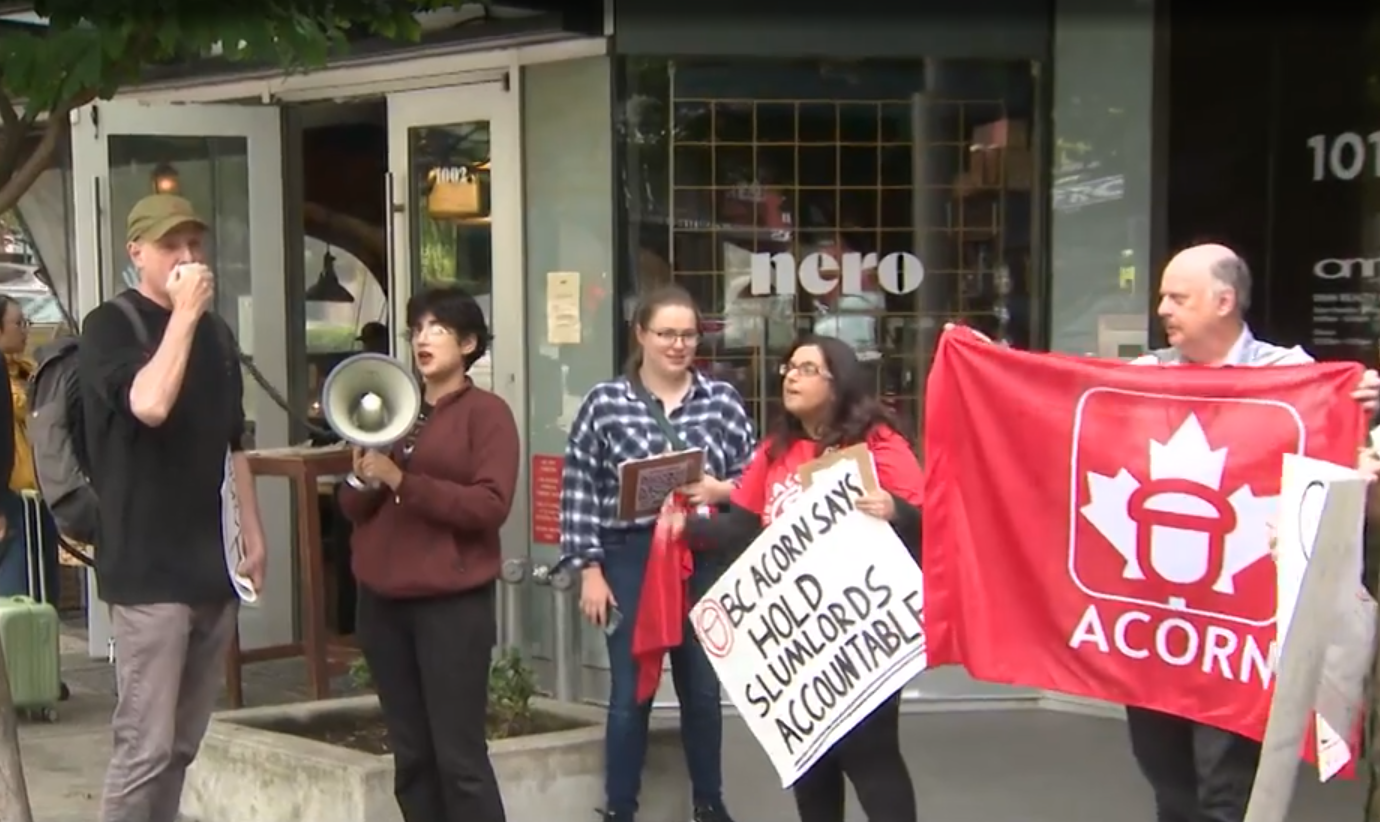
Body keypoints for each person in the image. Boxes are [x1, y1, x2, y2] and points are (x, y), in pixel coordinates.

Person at [946, 243, 1380, 822]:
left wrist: (1363, 407)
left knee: (1226, 796)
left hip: (1239, 633)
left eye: (1178, 297)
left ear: (1224, 301)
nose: (1163, 310)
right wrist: (990, 367)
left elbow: (1342, 470)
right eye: (1162, 297)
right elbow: (1056, 411)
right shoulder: (1139, 379)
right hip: (1152, 629)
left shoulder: (1293, 377)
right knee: (1169, 787)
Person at [674, 334, 924, 822]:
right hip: (800, 643)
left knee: (869, 754)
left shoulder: (877, 442)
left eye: (807, 368)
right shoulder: (775, 450)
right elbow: (743, 528)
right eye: (789, 367)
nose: (790, 375)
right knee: (811, 765)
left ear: (839, 381)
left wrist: (895, 510)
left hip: (861, 629)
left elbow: (930, 520)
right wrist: (686, 530)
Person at [81, 193, 268, 822]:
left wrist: (252, 532)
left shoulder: (217, 335)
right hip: (147, 569)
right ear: (137, 253)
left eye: (195, 244)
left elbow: (232, 441)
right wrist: (184, 315)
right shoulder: (111, 326)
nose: (187, 257)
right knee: (146, 743)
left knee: (183, 743)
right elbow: (150, 405)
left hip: (211, 564)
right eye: (171, 246)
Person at [561, 284, 756, 822]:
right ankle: (620, 807)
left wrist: (721, 491)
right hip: (631, 553)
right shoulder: (606, 402)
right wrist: (590, 570)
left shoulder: (721, 400)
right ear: (641, 334)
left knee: (701, 687)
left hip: (701, 552)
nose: (678, 344)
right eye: (666, 333)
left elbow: (756, 478)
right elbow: (579, 487)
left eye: (688, 334)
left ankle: (709, 803)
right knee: (631, 690)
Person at [338, 285, 518, 822]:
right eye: (416, 329)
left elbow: (489, 505)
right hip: (383, 602)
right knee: (412, 755)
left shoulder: (486, 415)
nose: (423, 338)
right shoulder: (392, 409)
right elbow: (351, 506)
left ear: (467, 343)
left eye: (437, 329)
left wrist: (401, 480)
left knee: (458, 757)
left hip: (450, 606)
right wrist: (362, 475)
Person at [0, 295, 68, 696]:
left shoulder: (29, 373)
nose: (24, 330)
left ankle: (40, 675)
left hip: (37, 495)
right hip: (11, 496)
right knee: (17, 589)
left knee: (45, 589)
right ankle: (17, 682)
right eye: (17, 323)